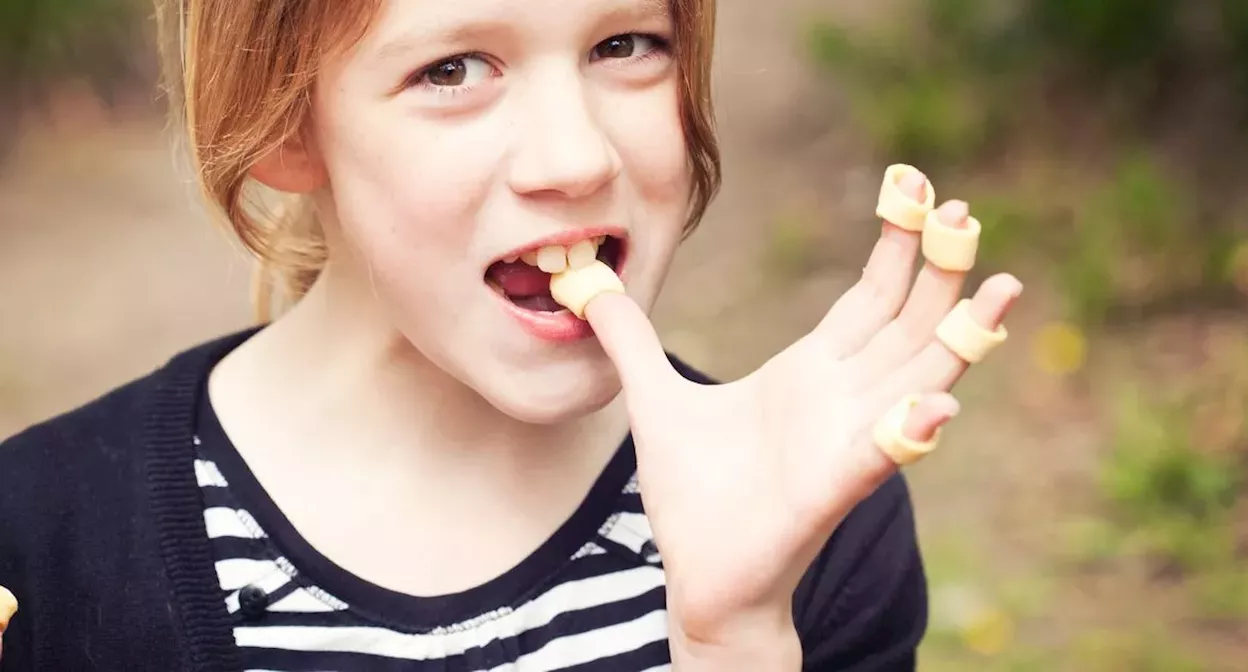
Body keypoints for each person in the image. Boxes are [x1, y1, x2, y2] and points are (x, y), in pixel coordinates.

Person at [0, 0, 1022, 669]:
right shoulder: (38, 547)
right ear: (283, 128)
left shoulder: (819, 534)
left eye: (624, 46)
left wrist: (733, 638)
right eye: (451, 69)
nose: (574, 157)